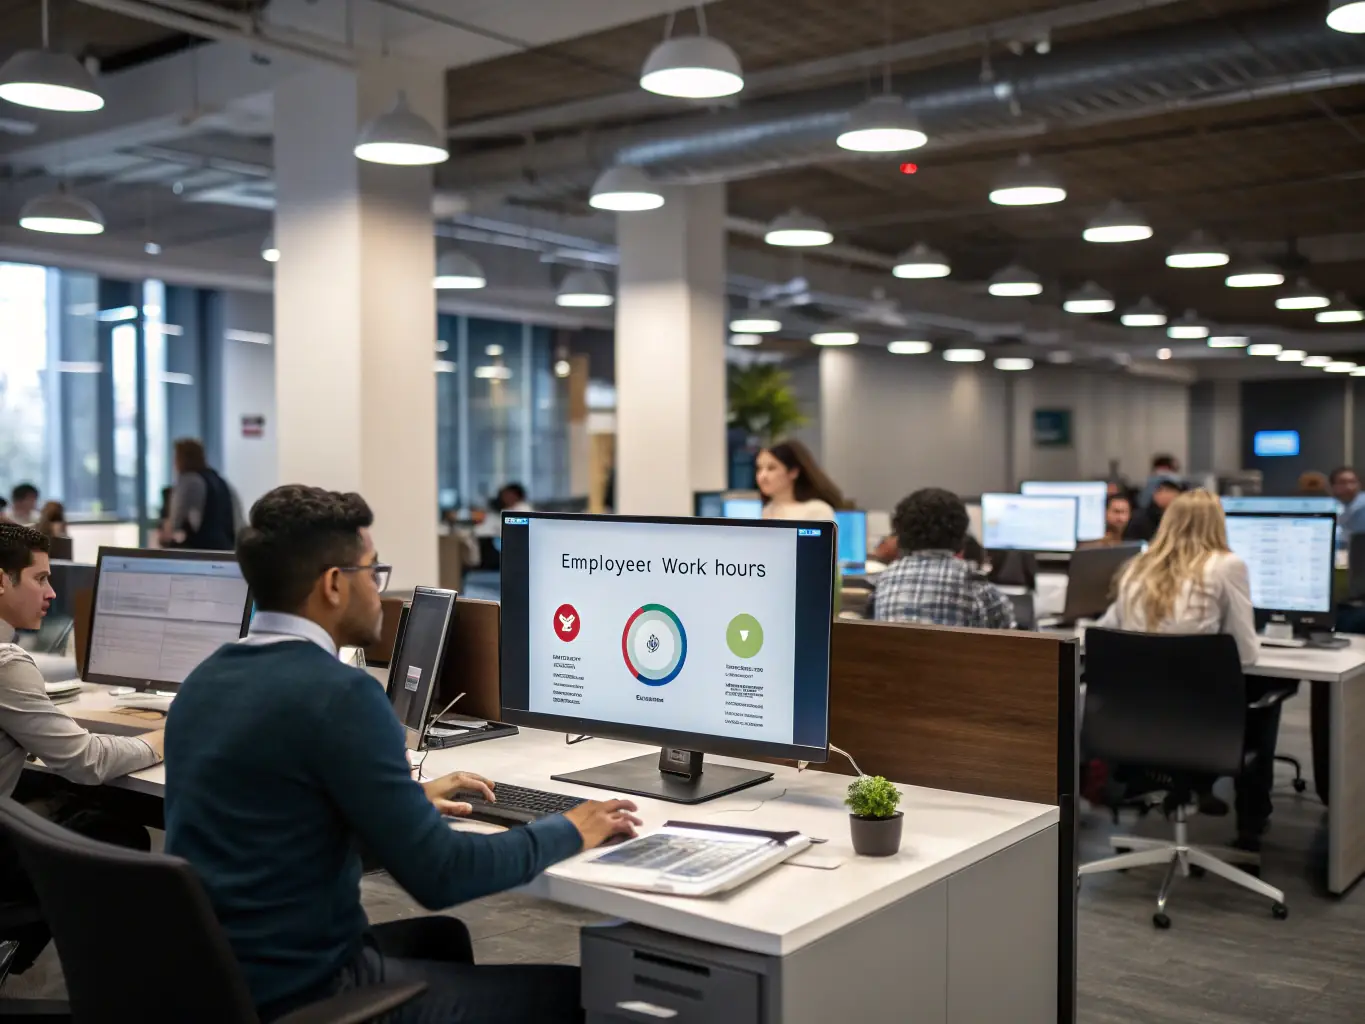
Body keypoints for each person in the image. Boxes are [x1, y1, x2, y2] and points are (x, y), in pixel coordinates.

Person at [164, 485, 640, 1022]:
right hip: (310, 993)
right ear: (334, 585)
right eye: (373, 572)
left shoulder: (202, 683)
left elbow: (278, 823)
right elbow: (442, 874)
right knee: (583, 995)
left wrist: (399, 804)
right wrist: (569, 829)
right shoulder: (340, 695)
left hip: (221, 984)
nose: (380, 590)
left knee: (441, 940)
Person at [0, 522, 163, 971]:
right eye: (40, 578)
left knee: (59, 797)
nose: (51, 592)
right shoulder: (6, 664)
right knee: (118, 833)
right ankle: (109, 985)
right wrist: (163, 739)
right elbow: (87, 762)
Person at [1095, 490, 1278, 847]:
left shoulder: (1137, 566)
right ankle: (1251, 822)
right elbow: (1245, 655)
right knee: (1269, 693)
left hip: (1132, 727)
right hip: (1201, 729)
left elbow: (1104, 633)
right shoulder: (1227, 565)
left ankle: (1179, 785)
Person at [870, 488, 1016, 629]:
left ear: (900, 534)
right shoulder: (977, 587)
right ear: (961, 533)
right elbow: (1009, 639)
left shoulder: (885, 580)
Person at [161, 438, 238, 551]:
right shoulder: (218, 480)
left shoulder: (189, 480)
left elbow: (174, 521)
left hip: (204, 549)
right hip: (226, 547)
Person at [756, 440, 844, 521]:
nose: (762, 476)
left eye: (771, 468)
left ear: (793, 472)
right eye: (759, 468)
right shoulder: (767, 510)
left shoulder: (817, 511)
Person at [1124, 479, 1182, 543]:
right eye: (1160, 490)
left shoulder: (1182, 517)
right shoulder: (1139, 519)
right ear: (1154, 494)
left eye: (1169, 490)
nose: (1164, 494)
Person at [1332, 466, 1365, 539]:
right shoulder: (1328, 506)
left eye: (1352, 482)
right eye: (1342, 482)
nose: (1348, 487)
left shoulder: (1363, 504)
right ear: (1333, 486)